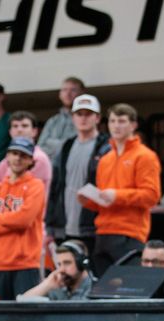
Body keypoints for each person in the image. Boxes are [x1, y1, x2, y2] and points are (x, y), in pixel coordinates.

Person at [77, 103, 162, 276]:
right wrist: (90, 202)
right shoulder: (105, 159)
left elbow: (151, 195)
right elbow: (105, 200)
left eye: (122, 121)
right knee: (103, 292)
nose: (116, 125)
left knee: (129, 289)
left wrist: (116, 195)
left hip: (130, 232)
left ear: (133, 125)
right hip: (103, 232)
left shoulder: (145, 156)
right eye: (113, 121)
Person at [0, 138, 46, 300]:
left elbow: (25, 219)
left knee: (25, 318)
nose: (18, 159)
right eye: (14, 153)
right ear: (7, 156)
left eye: (23, 155)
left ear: (31, 160)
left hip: (25, 263)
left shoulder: (36, 186)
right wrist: (13, 222)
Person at [45, 94, 111, 253]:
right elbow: (55, 187)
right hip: (64, 227)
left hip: (94, 227)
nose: (83, 118)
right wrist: (50, 225)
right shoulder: (66, 147)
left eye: (88, 114)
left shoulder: (107, 147)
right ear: (73, 117)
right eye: (79, 114)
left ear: (97, 118)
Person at [0, 111, 52, 193]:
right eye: (15, 126)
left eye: (24, 126)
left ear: (34, 131)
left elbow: (19, 191)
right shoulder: (6, 160)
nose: (19, 130)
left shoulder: (39, 158)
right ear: (10, 132)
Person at [23, 240, 92, 300]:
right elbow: (22, 303)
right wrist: (47, 285)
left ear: (82, 264)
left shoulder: (96, 290)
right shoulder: (58, 287)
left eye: (67, 263)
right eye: (59, 264)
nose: (61, 269)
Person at [38, 77, 85, 160]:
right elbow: (40, 148)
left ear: (81, 93)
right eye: (64, 90)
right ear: (60, 94)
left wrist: (51, 143)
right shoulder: (52, 121)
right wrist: (65, 145)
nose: (68, 93)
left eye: (73, 90)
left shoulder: (85, 119)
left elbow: (78, 147)